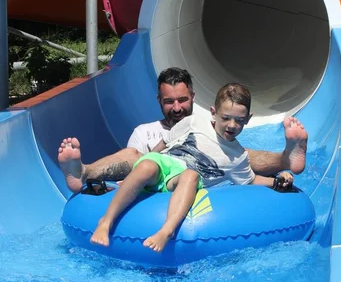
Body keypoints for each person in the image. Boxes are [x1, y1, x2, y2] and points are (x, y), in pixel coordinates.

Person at [90, 83, 294, 253]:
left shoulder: (238, 156)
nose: (232, 125)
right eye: (226, 118)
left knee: (191, 175)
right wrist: (136, 173)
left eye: (239, 121)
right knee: (147, 165)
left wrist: (277, 181)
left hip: (180, 180)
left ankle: (167, 231)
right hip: (164, 164)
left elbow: (250, 181)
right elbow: (164, 144)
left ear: (248, 119)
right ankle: (106, 222)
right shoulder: (194, 122)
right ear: (213, 113)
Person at [58, 68, 308, 193]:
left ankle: (286, 158)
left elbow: (244, 171)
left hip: (199, 180)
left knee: (236, 152)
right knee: (135, 156)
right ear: (159, 101)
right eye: (169, 102)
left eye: (183, 100)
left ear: (193, 98)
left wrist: (275, 182)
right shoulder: (145, 132)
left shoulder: (207, 125)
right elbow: (133, 166)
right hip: (159, 179)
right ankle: (83, 171)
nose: (177, 107)